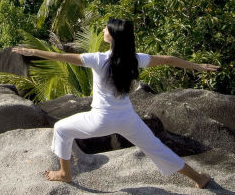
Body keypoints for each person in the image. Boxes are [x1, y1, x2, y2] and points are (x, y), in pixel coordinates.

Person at [11, 18, 219, 189]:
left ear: (114, 36)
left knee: (61, 129)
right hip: (128, 119)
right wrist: (197, 66)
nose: (103, 30)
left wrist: (34, 52)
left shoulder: (98, 59)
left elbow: (61, 56)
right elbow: (168, 59)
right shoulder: (135, 59)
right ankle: (199, 179)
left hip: (100, 120)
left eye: (107, 29)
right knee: (157, 149)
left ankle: (65, 174)